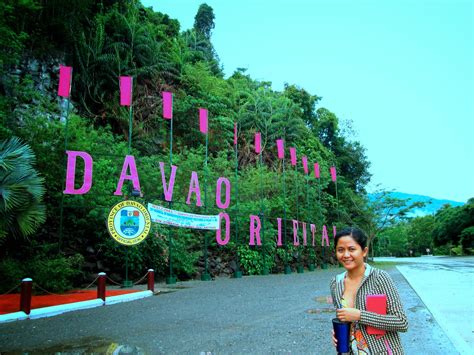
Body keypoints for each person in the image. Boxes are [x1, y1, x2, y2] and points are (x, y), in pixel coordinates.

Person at [330, 227, 408, 354]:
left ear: (364, 251)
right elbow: (344, 319)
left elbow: (401, 322)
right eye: (340, 250)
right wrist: (338, 333)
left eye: (351, 249)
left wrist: (360, 315)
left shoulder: (380, 277)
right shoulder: (336, 283)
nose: (345, 255)